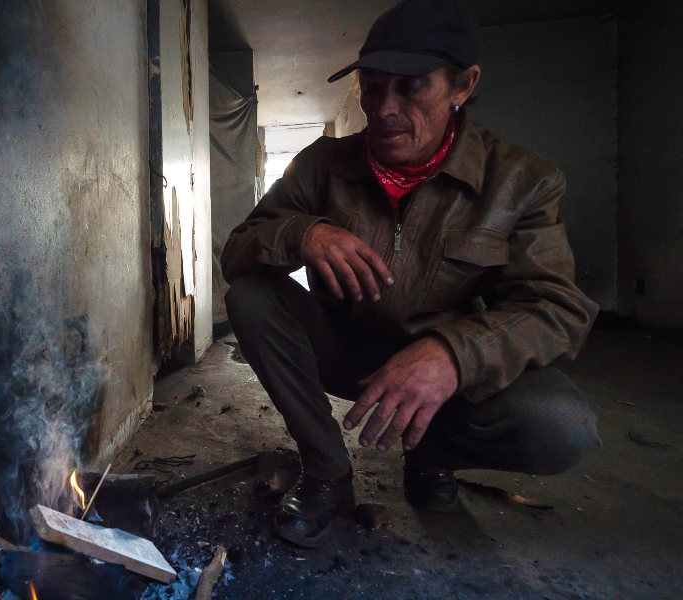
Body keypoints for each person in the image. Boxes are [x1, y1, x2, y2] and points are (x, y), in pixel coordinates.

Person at [221, 0, 601, 548]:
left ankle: (432, 453)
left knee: (562, 425)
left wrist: (454, 355)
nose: (384, 109)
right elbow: (237, 250)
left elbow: (556, 310)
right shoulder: (322, 164)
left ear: (463, 86)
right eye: (372, 88)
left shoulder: (523, 182)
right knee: (252, 296)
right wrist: (305, 233)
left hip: (443, 375)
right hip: (344, 350)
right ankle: (327, 469)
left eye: (411, 87)